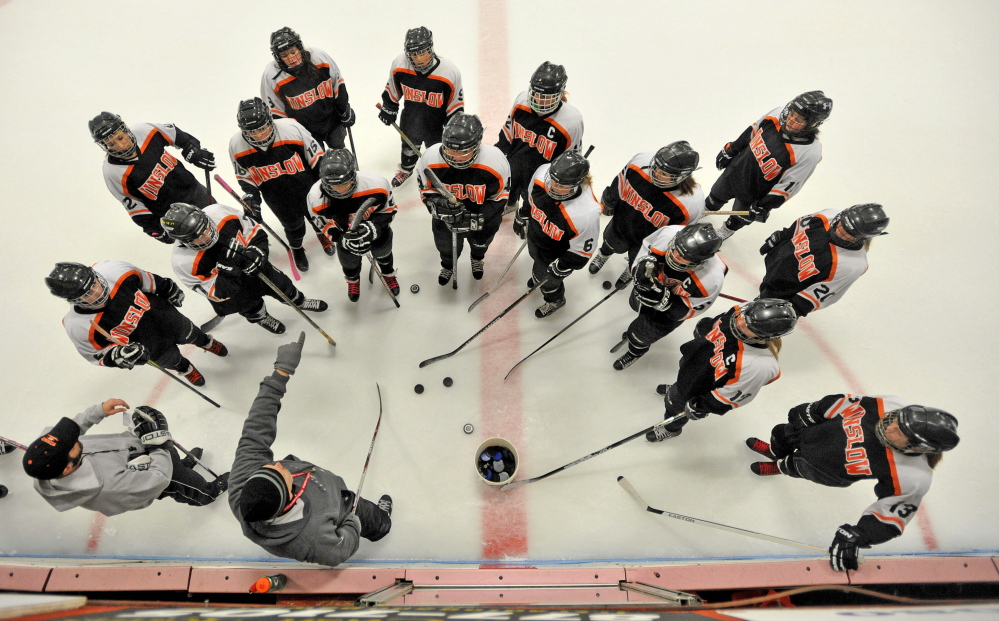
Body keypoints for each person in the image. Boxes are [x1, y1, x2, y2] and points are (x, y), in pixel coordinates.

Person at [229, 333, 393, 567]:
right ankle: (381, 523)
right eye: (280, 474)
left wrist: (281, 372)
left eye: (268, 467)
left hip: (323, 488)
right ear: (288, 499)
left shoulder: (241, 483)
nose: (277, 464)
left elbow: (257, 425)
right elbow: (340, 550)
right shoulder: (311, 540)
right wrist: (352, 524)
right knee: (369, 517)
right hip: (342, 508)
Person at [744, 396, 959, 573]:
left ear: (916, 448)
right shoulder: (891, 406)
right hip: (814, 432)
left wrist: (860, 535)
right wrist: (814, 411)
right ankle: (774, 452)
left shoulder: (914, 476)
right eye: (896, 420)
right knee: (782, 435)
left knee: (796, 466)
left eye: (900, 433)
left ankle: (781, 467)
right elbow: (847, 402)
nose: (890, 425)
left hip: (827, 468)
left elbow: (891, 516)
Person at [23, 398, 228, 514]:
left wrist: (97, 411)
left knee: (171, 459)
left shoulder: (48, 451)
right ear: (67, 468)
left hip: (140, 449)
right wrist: (158, 444)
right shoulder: (109, 487)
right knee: (181, 482)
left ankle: (178, 464)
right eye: (71, 445)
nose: (74, 438)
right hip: (152, 474)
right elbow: (158, 479)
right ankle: (207, 493)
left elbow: (70, 429)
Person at [45, 261, 227, 387]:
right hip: (149, 346)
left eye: (94, 283)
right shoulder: (77, 326)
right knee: (172, 360)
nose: (97, 290)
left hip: (165, 315)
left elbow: (146, 279)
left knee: (191, 333)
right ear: (73, 300)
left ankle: (207, 343)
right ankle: (186, 368)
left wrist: (167, 288)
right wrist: (117, 356)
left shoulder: (113, 270)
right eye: (87, 294)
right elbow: (97, 354)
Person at [161, 202, 328, 335]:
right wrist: (229, 271)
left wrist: (257, 252)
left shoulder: (219, 212)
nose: (206, 234)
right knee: (251, 307)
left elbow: (252, 230)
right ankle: (262, 317)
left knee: (283, 286)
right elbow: (216, 294)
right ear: (182, 240)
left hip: (258, 268)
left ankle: (299, 301)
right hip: (236, 293)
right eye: (196, 237)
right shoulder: (182, 262)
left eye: (205, 226)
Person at [648, 298, 797, 442]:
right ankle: (679, 388)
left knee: (675, 406)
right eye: (745, 317)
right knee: (681, 383)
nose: (740, 322)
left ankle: (671, 428)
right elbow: (716, 324)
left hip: (699, 387)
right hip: (694, 365)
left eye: (749, 327)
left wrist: (701, 406)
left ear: (765, 335)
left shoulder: (759, 365)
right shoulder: (742, 312)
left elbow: (730, 395)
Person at [707, 91, 832, 240]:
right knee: (715, 196)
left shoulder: (810, 153)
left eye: (798, 119)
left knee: (739, 218)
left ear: (812, 124)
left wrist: (765, 204)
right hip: (737, 169)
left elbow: (789, 185)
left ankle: (727, 229)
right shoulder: (777, 114)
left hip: (755, 191)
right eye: (791, 113)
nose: (790, 120)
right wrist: (731, 149)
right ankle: (704, 212)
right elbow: (753, 130)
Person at [230, 97, 326, 272]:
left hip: (308, 188)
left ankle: (322, 234)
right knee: (293, 227)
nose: (259, 135)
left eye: (262, 129)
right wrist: (252, 199)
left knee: (319, 218)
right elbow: (245, 178)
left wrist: (324, 186)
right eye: (252, 132)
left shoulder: (292, 129)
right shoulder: (236, 145)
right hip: (277, 197)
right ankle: (297, 248)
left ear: (270, 120)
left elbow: (317, 158)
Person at [89, 112, 216, 243]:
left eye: (120, 138)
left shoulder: (144, 130)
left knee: (224, 227)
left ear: (126, 130)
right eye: (111, 144)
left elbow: (176, 134)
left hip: (195, 191)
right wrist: (155, 229)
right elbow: (136, 208)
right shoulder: (112, 172)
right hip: (175, 217)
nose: (120, 146)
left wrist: (193, 150)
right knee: (205, 249)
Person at [613, 223, 726, 370]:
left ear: (700, 261)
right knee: (635, 306)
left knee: (642, 335)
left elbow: (689, 311)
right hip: (649, 289)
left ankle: (635, 351)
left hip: (666, 314)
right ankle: (633, 333)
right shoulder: (669, 233)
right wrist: (639, 270)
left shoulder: (712, 279)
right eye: (675, 248)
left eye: (684, 257)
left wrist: (664, 302)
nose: (674, 255)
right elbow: (645, 248)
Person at [415, 113, 511, 285]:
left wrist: (480, 217)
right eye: (450, 150)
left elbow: (501, 196)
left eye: (463, 151)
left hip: (481, 215)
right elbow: (426, 191)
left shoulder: (495, 161)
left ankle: (477, 258)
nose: (455, 157)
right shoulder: (430, 158)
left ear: (477, 145)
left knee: (481, 243)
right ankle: (448, 264)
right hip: (448, 216)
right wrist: (439, 205)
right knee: (445, 245)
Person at [589, 142, 705, 280]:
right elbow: (621, 181)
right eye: (656, 167)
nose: (655, 173)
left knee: (636, 262)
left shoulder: (691, 203)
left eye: (663, 173)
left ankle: (630, 270)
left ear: (680, 177)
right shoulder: (641, 163)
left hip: (646, 242)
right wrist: (610, 200)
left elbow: (676, 236)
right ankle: (603, 255)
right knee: (610, 243)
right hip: (622, 223)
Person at [758, 203, 888, 317]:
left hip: (783, 291)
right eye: (842, 224)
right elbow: (799, 227)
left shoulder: (852, 265)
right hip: (775, 267)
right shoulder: (828, 216)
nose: (840, 231)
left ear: (862, 238)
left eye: (849, 233)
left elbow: (817, 295)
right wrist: (779, 237)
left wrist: (790, 311)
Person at [307, 149, 400, 302]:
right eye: (334, 186)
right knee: (349, 263)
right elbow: (320, 223)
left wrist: (374, 228)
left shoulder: (377, 184)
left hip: (376, 230)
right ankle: (353, 280)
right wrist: (341, 239)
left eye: (345, 183)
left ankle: (388, 274)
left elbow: (389, 210)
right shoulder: (315, 197)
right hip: (345, 235)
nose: (340, 190)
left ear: (353, 175)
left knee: (384, 253)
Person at [516, 150, 600, 318]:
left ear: (576, 184)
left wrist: (563, 266)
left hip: (555, 254)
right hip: (537, 235)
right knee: (534, 258)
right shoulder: (543, 173)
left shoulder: (586, 213)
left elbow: (583, 251)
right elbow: (531, 199)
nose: (553, 186)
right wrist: (524, 213)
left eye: (561, 185)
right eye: (553, 180)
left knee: (548, 282)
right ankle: (537, 276)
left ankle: (555, 299)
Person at [379, 27, 465, 187]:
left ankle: (440, 176)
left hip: (437, 123)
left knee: (439, 152)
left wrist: (454, 126)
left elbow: (455, 104)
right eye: (413, 54)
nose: (418, 59)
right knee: (408, 148)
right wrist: (389, 106)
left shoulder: (449, 72)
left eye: (422, 53)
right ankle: (406, 170)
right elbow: (393, 88)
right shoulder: (400, 64)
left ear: (431, 49)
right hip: (411, 118)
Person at [496, 61, 583, 209]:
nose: (540, 101)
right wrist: (498, 157)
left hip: (544, 172)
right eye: (537, 95)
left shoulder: (571, 120)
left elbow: (571, 159)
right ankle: (510, 202)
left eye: (547, 97)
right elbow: (508, 133)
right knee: (509, 180)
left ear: (560, 94)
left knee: (533, 206)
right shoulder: (521, 101)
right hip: (517, 162)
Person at [261, 27, 355, 150]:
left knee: (340, 151)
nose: (291, 58)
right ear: (278, 57)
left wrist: (344, 109)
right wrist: (287, 135)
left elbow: (337, 83)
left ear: (300, 48)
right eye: (284, 55)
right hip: (304, 131)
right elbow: (276, 111)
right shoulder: (271, 76)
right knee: (318, 164)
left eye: (293, 52)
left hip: (332, 120)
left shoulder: (318, 57)